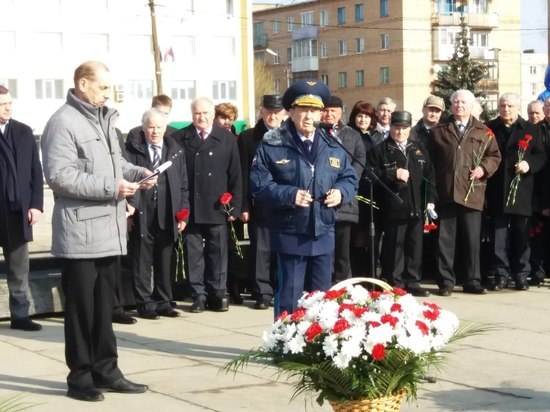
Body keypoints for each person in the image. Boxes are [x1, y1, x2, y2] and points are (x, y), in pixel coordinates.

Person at [41, 61, 153, 402]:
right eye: (103, 87)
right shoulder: (63, 123)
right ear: (83, 83)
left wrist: (138, 174)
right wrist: (113, 187)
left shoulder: (105, 120)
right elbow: (60, 176)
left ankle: (107, 370)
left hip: (109, 230)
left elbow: (115, 163)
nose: (108, 93)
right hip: (80, 235)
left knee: (105, 309)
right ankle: (80, 378)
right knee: (80, 312)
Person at [250, 79, 358, 316]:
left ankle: (315, 347)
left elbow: (349, 178)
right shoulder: (272, 145)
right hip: (290, 233)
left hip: (323, 232)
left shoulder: (333, 144)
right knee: (290, 296)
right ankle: (284, 347)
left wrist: (340, 192)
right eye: (304, 110)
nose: (309, 116)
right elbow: (259, 185)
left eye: (315, 110)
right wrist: (290, 194)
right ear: (291, 112)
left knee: (321, 300)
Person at [172, 97, 242, 313]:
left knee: (218, 251)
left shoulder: (226, 138)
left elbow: (235, 174)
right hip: (191, 205)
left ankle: (218, 292)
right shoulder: (179, 138)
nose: (200, 117)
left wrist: (235, 207)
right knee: (193, 253)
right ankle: (198, 294)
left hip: (217, 205)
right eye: (196, 114)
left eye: (204, 113)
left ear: (213, 114)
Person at [428, 89, 501, 296]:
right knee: (445, 241)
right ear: (451, 106)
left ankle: (472, 280)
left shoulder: (483, 131)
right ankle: (446, 282)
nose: (459, 105)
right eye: (456, 102)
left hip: (472, 194)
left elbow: (494, 156)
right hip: (447, 193)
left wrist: (483, 169)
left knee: (472, 240)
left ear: (471, 106)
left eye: (463, 102)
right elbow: (431, 163)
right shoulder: (439, 130)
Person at [124, 108, 190, 318]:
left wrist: (183, 213)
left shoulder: (175, 150)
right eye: (150, 127)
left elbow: (183, 185)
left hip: (167, 212)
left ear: (165, 128)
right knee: (141, 260)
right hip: (141, 212)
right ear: (143, 128)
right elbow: (127, 180)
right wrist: (128, 210)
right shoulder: (133, 150)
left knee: (164, 259)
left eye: (159, 127)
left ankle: (163, 301)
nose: (155, 132)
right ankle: (144, 303)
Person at [369, 111, 436, 296]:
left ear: (409, 129)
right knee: (395, 248)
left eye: (404, 128)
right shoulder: (380, 150)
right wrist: (392, 174)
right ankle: (395, 283)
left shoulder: (418, 149)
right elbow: (370, 176)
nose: (400, 132)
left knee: (415, 247)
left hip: (416, 207)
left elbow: (430, 176)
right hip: (394, 208)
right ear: (391, 128)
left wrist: (430, 200)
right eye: (396, 128)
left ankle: (413, 282)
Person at [485, 93, 546, 291]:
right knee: (499, 236)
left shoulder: (530, 128)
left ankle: (521, 274)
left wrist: (529, 164)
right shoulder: (490, 128)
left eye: (510, 106)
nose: (506, 109)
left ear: (517, 107)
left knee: (521, 235)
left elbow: (540, 156)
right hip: (497, 189)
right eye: (502, 105)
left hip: (521, 189)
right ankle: (500, 275)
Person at [0, 85, 44, 331]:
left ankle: (19, 316)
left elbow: (35, 173)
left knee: (19, 268)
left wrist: (36, 205)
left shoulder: (24, 132)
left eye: (9, 102)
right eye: (2, 103)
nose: (8, 107)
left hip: (18, 211)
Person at [238, 94, 286, 309]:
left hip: (285, 202)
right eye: (268, 111)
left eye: (277, 112)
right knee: (260, 250)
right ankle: (262, 292)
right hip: (259, 203)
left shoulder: (290, 136)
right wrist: (244, 205)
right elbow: (242, 173)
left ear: (284, 114)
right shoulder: (248, 137)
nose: (272, 116)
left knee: (282, 249)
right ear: (261, 111)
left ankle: (280, 288)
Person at [320, 95, 365, 282]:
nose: (329, 114)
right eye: (326, 110)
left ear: (340, 113)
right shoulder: (315, 133)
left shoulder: (352, 135)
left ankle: (341, 284)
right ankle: (323, 284)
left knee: (342, 250)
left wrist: (342, 187)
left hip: (344, 202)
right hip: (321, 199)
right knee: (323, 248)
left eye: (333, 111)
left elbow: (359, 161)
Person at [346, 101, 381, 277]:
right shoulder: (349, 135)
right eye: (360, 115)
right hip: (356, 191)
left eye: (367, 116)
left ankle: (372, 275)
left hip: (374, 192)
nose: (363, 119)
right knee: (357, 237)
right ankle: (358, 274)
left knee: (373, 236)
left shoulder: (378, 137)